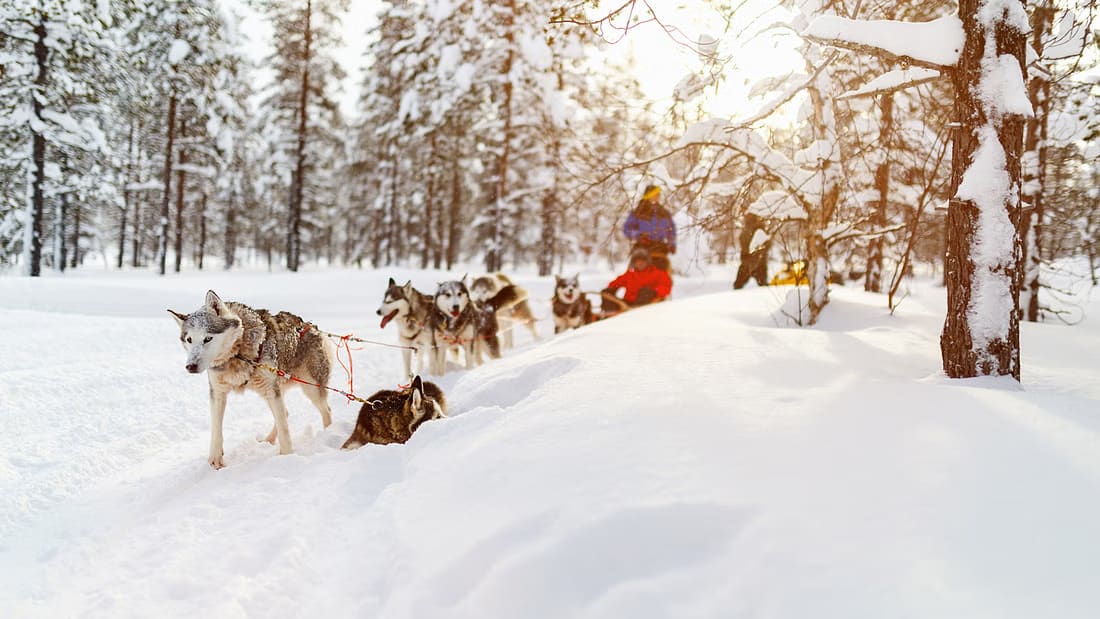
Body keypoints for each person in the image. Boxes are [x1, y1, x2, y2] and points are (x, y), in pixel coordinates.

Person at [623, 184, 676, 272]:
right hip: (642, 248)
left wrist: (671, 243)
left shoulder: (664, 213)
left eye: (658, 194)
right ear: (649, 195)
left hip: (660, 248)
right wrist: (639, 235)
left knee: (661, 274)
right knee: (642, 273)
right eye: (656, 194)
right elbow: (627, 229)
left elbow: (671, 230)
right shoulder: (638, 212)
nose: (658, 196)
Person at [602, 249, 673, 313]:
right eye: (637, 261)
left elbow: (666, 286)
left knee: (645, 291)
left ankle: (635, 314)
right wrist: (611, 289)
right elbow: (614, 284)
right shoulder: (630, 274)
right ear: (634, 263)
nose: (640, 263)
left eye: (643, 261)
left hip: (647, 305)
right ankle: (609, 315)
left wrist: (655, 291)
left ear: (648, 262)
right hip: (626, 304)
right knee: (607, 293)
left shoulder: (658, 274)